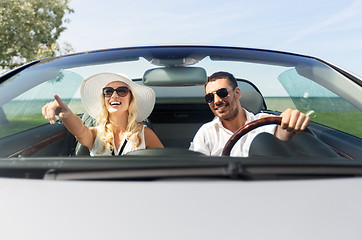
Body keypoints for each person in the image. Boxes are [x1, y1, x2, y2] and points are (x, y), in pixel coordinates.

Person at [189, 71, 310, 157]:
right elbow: (195, 170)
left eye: (222, 92)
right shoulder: (206, 132)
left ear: (237, 93)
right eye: (210, 97)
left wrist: (291, 120)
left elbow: (282, 133)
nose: (216, 101)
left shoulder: (265, 122)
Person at [42, 72, 163, 156]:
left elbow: (164, 163)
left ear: (131, 99)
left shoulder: (145, 134)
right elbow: (79, 131)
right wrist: (66, 114)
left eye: (121, 91)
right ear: (104, 99)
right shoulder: (96, 134)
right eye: (108, 92)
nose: (114, 95)